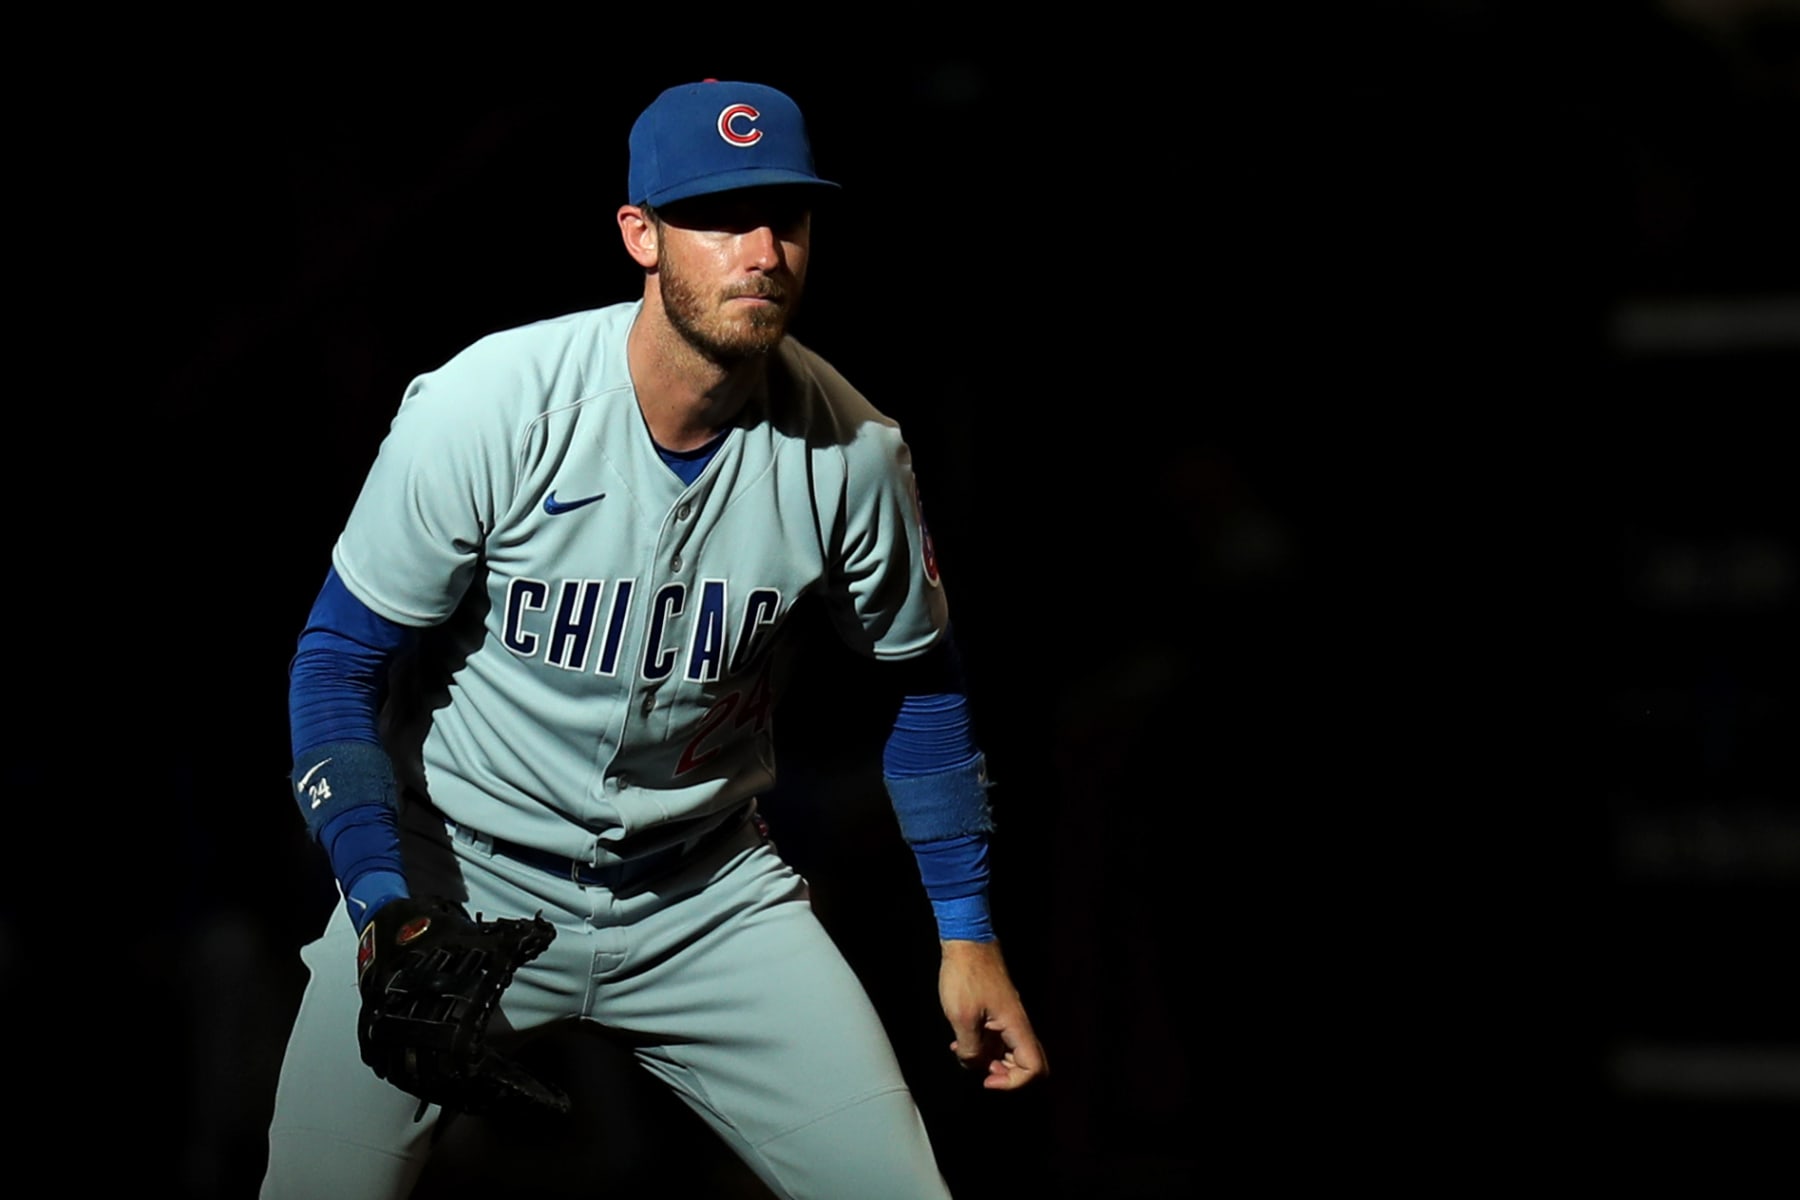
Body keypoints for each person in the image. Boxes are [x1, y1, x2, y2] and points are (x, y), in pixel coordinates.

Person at [260, 79, 1046, 1199]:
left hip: (705, 899)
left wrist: (968, 935)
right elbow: (336, 663)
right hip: (457, 874)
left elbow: (927, 690)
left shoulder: (856, 451)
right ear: (641, 235)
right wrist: (386, 911)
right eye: (722, 217)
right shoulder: (489, 405)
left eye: (787, 216)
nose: (763, 249)